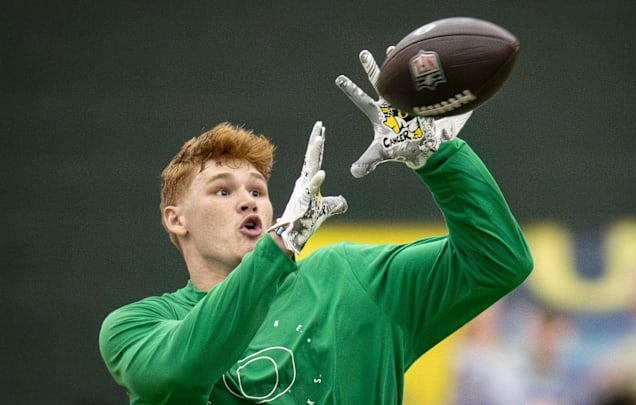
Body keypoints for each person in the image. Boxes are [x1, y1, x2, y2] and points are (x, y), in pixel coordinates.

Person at [99, 48, 533, 404]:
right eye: (222, 191)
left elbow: (498, 263)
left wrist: (437, 159)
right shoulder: (137, 325)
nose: (248, 199)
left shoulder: (350, 276)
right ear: (176, 220)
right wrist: (278, 248)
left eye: (257, 190)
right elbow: (177, 376)